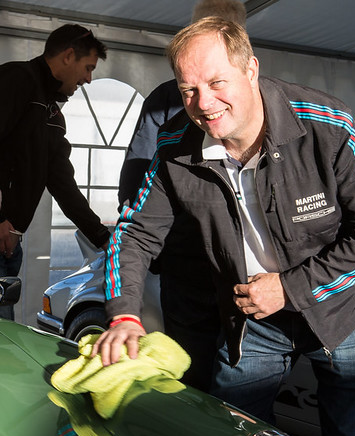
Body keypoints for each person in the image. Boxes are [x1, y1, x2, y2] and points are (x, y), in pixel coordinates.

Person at [95, 17, 355, 436]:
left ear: (251, 69)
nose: (203, 103)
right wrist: (124, 313)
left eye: (217, 82)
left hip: (346, 313)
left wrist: (291, 288)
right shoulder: (175, 146)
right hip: (254, 317)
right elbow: (136, 233)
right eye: (188, 89)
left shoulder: (328, 127)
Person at [117, 0, 247, 392]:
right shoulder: (250, 93)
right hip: (244, 271)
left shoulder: (166, 97)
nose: (203, 102)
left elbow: (136, 183)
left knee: (191, 372)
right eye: (191, 90)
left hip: (188, 262)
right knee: (244, 380)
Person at [0, 24, 111, 319]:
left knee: (0, 324)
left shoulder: (51, 113)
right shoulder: (13, 79)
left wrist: (103, 237)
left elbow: (62, 182)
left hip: (3, 232)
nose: (89, 79)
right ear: (68, 56)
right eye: (88, 68)